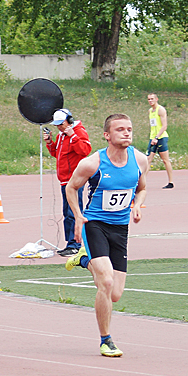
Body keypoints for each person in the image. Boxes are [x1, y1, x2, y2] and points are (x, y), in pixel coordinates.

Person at [64, 114, 149, 358]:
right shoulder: (92, 163)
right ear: (107, 135)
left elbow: (142, 188)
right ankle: (106, 340)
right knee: (106, 281)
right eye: (120, 129)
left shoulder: (139, 160)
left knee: (115, 294)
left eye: (129, 129)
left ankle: (82, 260)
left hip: (121, 229)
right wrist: (79, 216)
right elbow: (71, 187)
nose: (127, 133)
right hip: (96, 225)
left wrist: (137, 205)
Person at [44, 108, 91, 256]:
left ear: (69, 121)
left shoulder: (78, 132)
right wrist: (50, 142)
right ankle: (70, 243)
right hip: (64, 180)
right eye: (57, 125)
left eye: (61, 124)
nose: (59, 127)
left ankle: (75, 244)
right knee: (67, 213)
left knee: (73, 212)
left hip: (75, 180)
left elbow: (85, 150)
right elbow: (56, 154)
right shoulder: (62, 135)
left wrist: (73, 136)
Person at [146, 93, 174, 189]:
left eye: (152, 99)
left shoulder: (160, 110)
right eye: (149, 99)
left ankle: (171, 182)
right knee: (148, 160)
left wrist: (157, 137)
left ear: (156, 99)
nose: (150, 101)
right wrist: (152, 138)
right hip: (153, 137)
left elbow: (164, 126)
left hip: (161, 138)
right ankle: (142, 182)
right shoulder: (150, 111)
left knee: (165, 160)